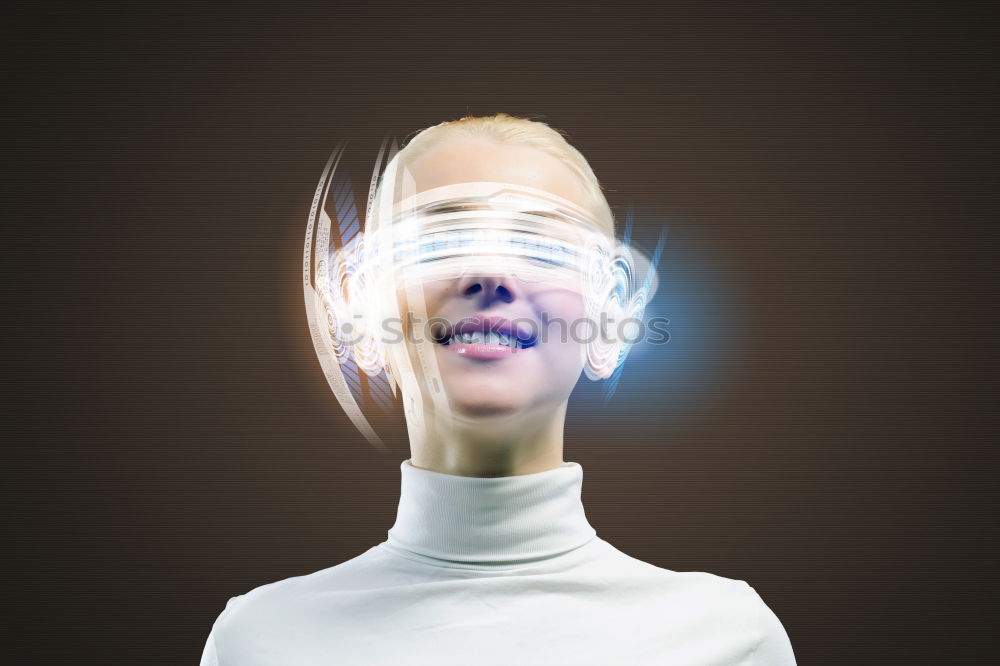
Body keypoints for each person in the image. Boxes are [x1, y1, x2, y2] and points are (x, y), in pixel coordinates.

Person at [199, 114, 797, 665]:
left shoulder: (725, 640)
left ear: (609, 314)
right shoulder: (260, 640)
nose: (490, 273)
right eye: (438, 239)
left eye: (543, 245)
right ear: (362, 306)